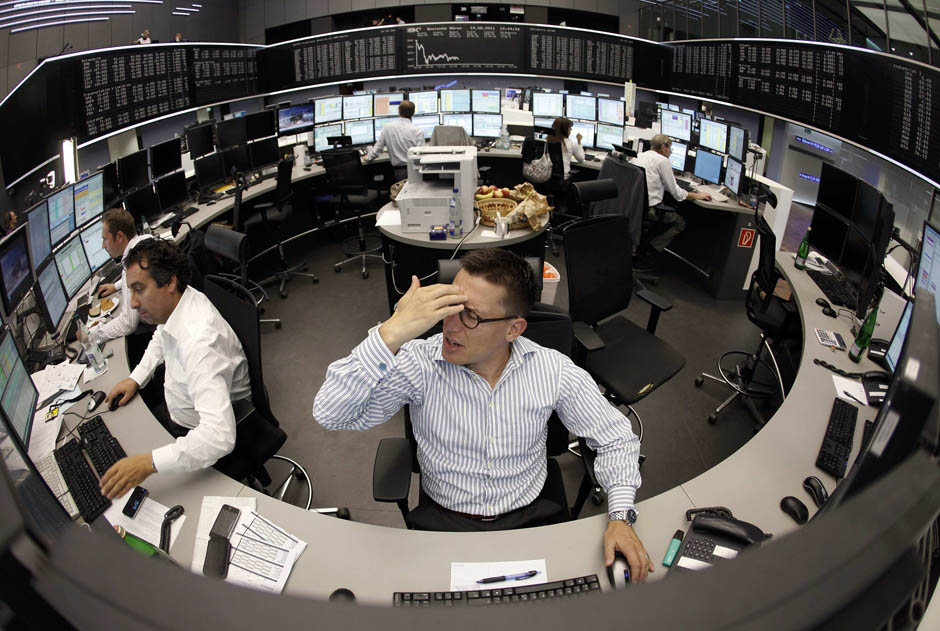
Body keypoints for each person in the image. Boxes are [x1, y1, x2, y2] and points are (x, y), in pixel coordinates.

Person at [313, 248, 654, 582]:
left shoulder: (552, 370)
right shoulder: (419, 363)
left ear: (513, 329)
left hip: (531, 516)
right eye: (450, 308)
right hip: (444, 520)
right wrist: (391, 333)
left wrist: (620, 518)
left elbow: (616, 439)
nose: (449, 326)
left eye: (470, 316)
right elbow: (330, 413)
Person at [99, 239, 250, 500]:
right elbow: (160, 336)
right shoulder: (179, 302)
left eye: (139, 289)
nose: (133, 303)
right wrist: (135, 378)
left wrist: (147, 463)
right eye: (130, 291)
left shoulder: (199, 342)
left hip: (199, 432)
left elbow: (218, 436)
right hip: (185, 408)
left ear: (170, 282)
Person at [631, 134, 712, 270]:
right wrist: (697, 195)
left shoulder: (638, 156)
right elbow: (677, 194)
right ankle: (651, 248)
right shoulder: (663, 161)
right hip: (650, 210)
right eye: (670, 149)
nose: (671, 152)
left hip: (635, 207)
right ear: (663, 147)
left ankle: (642, 247)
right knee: (680, 223)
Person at [80, 208, 152, 350]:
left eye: (105, 239)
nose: (103, 246)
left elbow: (128, 323)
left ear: (119, 236)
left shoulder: (132, 264)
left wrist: (90, 335)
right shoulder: (144, 240)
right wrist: (116, 286)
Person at [365, 100, 425, 182]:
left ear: (399, 112)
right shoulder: (418, 131)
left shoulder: (387, 127)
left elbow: (377, 150)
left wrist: (368, 157)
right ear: (413, 113)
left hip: (399, 172)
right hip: (414, 172)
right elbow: (420, 155)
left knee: (399, 189)